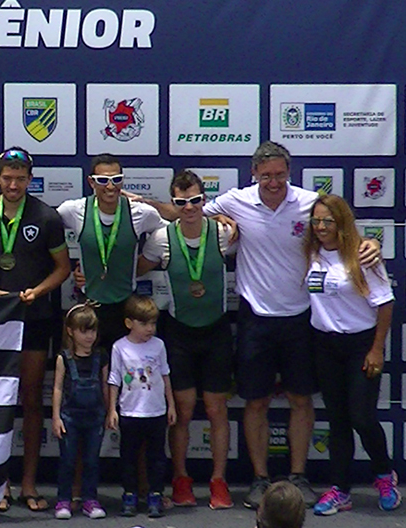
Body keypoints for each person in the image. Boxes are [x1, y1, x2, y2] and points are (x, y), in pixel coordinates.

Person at [189, 141, 380, 509]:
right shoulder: (236, 200)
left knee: (300, 400)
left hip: (302, 318)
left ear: (289, 172)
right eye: (266, 176)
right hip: (255, 318)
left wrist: (369, 240)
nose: (273, 182)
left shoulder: (309, 202)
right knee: (256, 402)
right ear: (254, 174)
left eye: (279, 174)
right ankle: (260, 479)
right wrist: (216, 219)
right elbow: (189, 214)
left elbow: (345, 228)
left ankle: (298, 477)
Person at [0, 146, 70, 512]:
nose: (13, 185)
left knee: (31, 400)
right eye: (7, 178)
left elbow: (63, 268)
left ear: (30, 179)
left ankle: (28, 483)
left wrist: (37, 291)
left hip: (35, 318)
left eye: (20, 179)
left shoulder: (46, 216)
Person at [136, 170, 235, 510]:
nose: (189, 207)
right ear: (173, 203)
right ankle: (181, 479)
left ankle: (219, 481)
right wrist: (88, 273)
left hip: (217, 331)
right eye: (181, 202)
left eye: (195, 200)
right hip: (179, 333)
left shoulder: (223, 233)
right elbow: (133, 270)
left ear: (204, 200)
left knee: (217, 408)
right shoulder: (161, 238)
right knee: (182, 410)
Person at [304, 195, 401, 515]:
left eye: (328, 221)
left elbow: (385, 303)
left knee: (362, 417)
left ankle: (384, 475)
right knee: (338, 420)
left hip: (360, 345)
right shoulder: (310, 251)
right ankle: (340, 490)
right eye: (316, 221)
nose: (321, 227)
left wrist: (377, 349)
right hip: (324, 345)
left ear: (342, 222)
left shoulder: (362, 255)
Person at [57, 154, 166, 352]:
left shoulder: (140, 213)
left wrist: (146, 261)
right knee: (88, 367)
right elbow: (46, 232)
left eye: (116, 179)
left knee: (127, 367)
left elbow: (171, 233)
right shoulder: (73, 210)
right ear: (91, 182)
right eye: (102, 180)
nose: (110, 186)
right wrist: (68, 267)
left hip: (126, 307)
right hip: (89, 306)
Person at [107, 296, 175, 518]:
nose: (150, 329)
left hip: (156, 411)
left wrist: (171, 405)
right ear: (129, 323)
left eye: (153, 323)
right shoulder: (119, 347)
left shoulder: (159, 345)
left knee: (157, 458)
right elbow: (114, 378)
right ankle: (130, 495)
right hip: (130, 412)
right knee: (128, 458)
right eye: (144, 323)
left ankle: (155, 495)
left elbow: (165, 375)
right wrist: (112, 409)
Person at [52, 304, 109, 520]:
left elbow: (106, 386)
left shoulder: (101, 356)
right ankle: (63, 500)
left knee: (92, 460)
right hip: (69, 418)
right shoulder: (64, 358)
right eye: (83, 331)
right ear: (70, 331)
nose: (89, 336)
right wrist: (56, 417)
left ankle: (90, 499)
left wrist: (110, 411)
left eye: (92, 331)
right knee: (67, 460)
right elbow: (57, 388)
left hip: (95, 417)